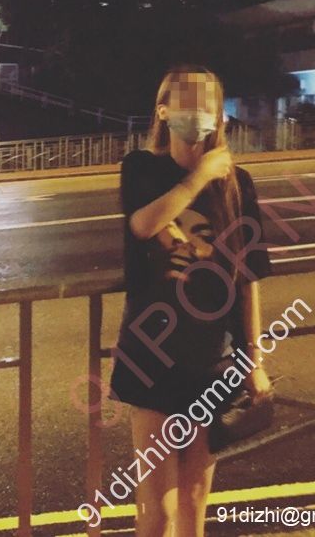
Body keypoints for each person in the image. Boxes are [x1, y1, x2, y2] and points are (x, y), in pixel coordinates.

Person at [108, 64, 274, 536]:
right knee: (157, 508)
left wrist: (253, 360)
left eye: (208, 102)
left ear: (220, 114)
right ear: (162, 111)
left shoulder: (238, 184)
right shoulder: (141, 168)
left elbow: (248, 278)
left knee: (195, 498)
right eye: (186, 100)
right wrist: (201, 175)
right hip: (151, 352)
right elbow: (144, 225)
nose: (197, 110)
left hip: (212, 356)